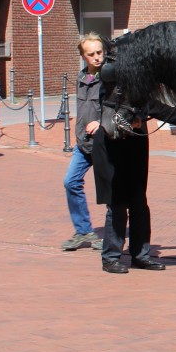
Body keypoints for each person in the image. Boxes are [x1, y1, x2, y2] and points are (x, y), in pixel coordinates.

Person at [92, 89, 164, 274]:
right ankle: (111, 257)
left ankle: (141, 255)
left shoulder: (142, 75)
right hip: (112, 141)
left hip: (136, 140)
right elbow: (105, 101)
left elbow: (153, 102)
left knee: (139, 202)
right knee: (117, 203)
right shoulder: (110, 73)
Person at [59, 32, 106, 252]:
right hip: (83, 144)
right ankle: (84, 231)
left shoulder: (109, 78)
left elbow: (117, 109)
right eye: (91, 54)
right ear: (83, 56)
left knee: (111, 191)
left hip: (104, 144)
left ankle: (113, 236)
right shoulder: (80, 78)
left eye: (100, 52)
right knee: (71, 182)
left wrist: (101, 122)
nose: (97, 57)